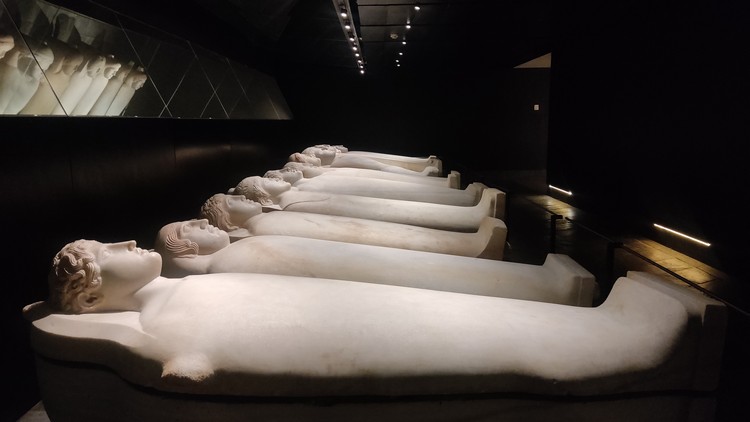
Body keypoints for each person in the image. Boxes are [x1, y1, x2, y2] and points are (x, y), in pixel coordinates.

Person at [32, 238, 722, 400]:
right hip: (336, 338)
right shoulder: (166, 328)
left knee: (456, 316)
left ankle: (613, 339)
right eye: (107, 251)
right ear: (90, 297)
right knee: (463, 338)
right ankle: (627, 350)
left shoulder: (183, 298)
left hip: (346, 321)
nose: (126, 242)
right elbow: (203, 366)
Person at [153, 218, 594, 306]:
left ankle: (538, 285)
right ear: (183, 249)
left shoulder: (238, 250)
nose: (205, 224)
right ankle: (543, 289)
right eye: (193, 228)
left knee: (408, 263)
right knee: (421, 277)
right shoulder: (227, 264)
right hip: (352, 279)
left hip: (350, 264)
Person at [198, 193, 506, 259]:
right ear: (229, 220)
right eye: (233, 201)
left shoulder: (265, 221)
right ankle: (470, 240)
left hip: (347, 228)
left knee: (392, 219)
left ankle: (468, 225)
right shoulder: (261, 228)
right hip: (348, 239)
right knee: (396, 236)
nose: (242, 198)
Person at [229, 175, 504, 230]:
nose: (274, 177)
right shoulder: (286, 208)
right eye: (265, 181)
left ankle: (464, 203)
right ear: (264, 197)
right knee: (401, 208)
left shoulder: (294, 196)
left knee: (400, 198)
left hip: (353, 206)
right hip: (353, 214)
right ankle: (468, 213)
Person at [263, 167, 484, 206]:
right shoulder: (305, 191)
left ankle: (451, 192)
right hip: (357, 198)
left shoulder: (313, 182)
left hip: (355, 189)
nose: (282, 175)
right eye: (272, 179)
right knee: (395, 193)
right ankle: (461, 200)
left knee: (391, 183)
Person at [282, 160, 461, 189]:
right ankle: (424, 178)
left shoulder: (326, 169)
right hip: (355, 181)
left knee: (386, 171)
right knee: (387, 175)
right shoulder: (310, 183)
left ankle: (422, 176)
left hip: (355, 177)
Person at [303, 144, 443, 174]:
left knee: (388, 160)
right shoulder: (334, 162)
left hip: (346, 156)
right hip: (343, 160)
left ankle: (421, 164)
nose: (325, 148)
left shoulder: (339, 154)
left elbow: (344, 148)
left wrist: (333, 148)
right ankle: (420, 175)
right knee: (384, 167)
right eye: (321, 150)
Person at [289, 151, 440, 177]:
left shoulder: (334, 160)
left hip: (341, 159)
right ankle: (420, 175)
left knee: (385, 163)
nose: (311, 156)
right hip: (340, 161)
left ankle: (420, 170)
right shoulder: (329, 166)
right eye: (306, 157)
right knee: (384, 167)